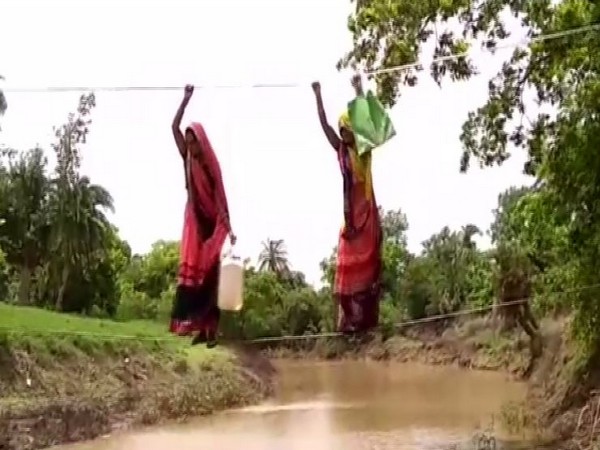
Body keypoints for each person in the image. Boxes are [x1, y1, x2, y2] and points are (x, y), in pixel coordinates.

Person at [311, 75, 383, 334]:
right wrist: (318, 95)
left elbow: (367, 124)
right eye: (342, 130)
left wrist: (358, 90)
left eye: (348, 129)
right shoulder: (340, 151)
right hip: (350, 213)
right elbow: (323, 126)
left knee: (368, 272)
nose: (345, 133)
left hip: (366, 211)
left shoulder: (364, 150)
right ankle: (348, 321)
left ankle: (366, 322)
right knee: (344, 267)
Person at [169, 84, 236, 348]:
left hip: (212, 224)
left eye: (192, 141)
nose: (189, 145)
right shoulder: (187, 158)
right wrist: (185, 101)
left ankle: (212, 331)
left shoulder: (210, 163)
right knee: (193, 277)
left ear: (200, 141)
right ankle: (197, 328)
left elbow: (220, 196)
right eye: (187, 142)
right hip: (195, 222)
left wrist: (228, 228)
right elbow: (173, 127)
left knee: (211, 279)